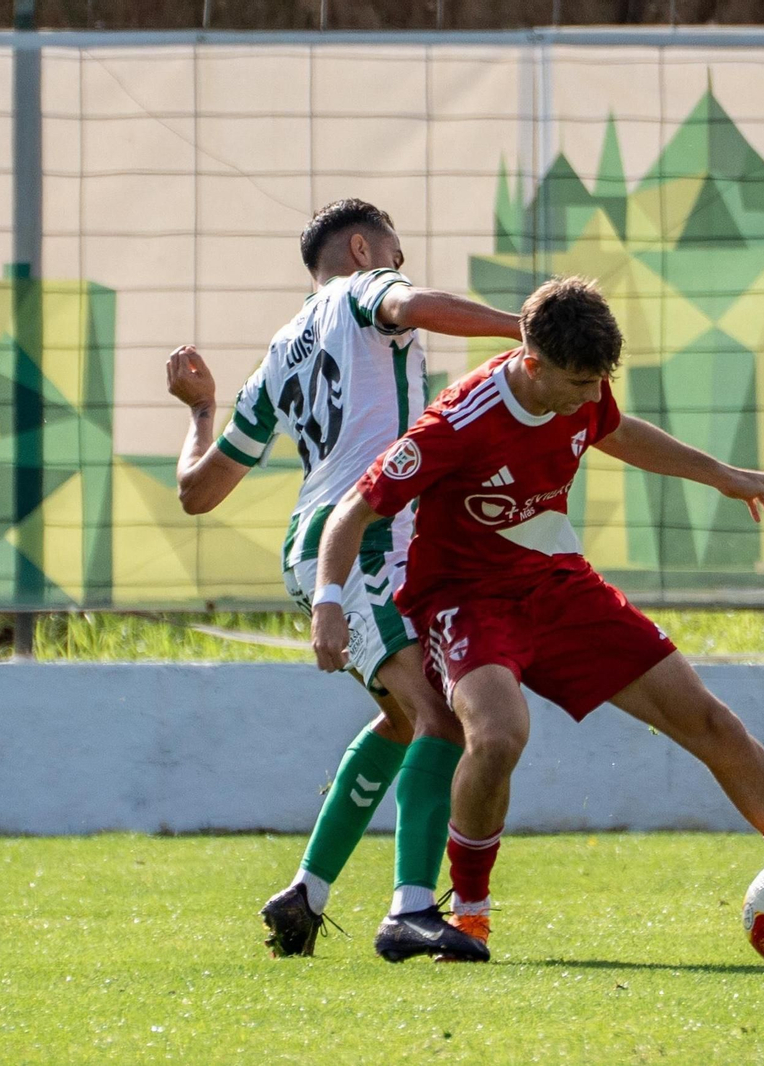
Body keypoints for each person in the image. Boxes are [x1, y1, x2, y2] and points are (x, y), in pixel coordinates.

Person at [309, 276, 764, 960]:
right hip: (466, 599)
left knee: (708, 720)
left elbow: (615, 431)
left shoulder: (585, 392)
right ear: (532, 362)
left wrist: (721, 475)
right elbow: (354, 510)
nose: (590, 397)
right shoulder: (457, 423)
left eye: (598, 382)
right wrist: (328, 602)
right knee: (496, 736)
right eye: (579, 382)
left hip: (559, 587)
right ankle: (468, 915)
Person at [166, 198, 521, 962]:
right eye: (393, 252)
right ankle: (414, 909)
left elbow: (198, 490)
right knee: (444, 718)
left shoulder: (277, 355)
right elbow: (412, 302)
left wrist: (201, 411)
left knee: (401, 720)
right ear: (362, 250)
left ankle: (306, 893)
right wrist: (524, 328)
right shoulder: (362, 293)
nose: (399, 266)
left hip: (316, 539)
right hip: (363, 536)